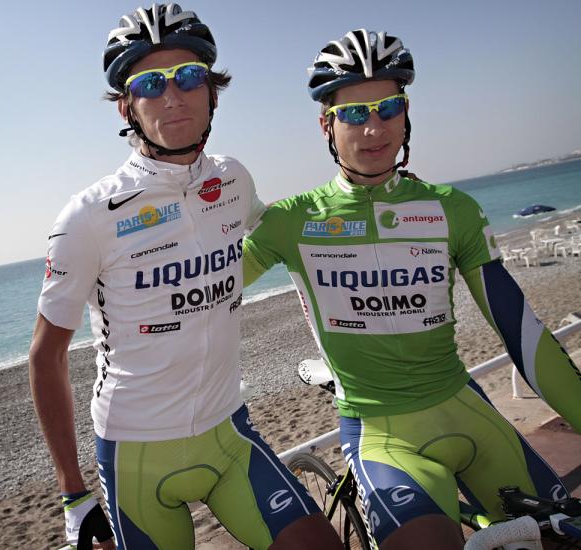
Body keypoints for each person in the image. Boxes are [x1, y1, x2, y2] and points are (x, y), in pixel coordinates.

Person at [243, 29, 581, 549]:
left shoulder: (452, 209)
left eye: (388, 108)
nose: (373, 128)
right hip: (382, 434)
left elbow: (521, 332)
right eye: (354, 113)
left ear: (405, 114)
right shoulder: (291, 220)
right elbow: (200, 292)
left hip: (465, 409)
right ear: (327, 124)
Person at [29, 4, 342, 549]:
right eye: (150, 84)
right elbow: (45, 357)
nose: (172, 96)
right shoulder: (88, 216)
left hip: (229, 432)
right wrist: (73, 495)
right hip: (136, 453)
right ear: (126, 105)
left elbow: (282, 235)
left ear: (212, 93)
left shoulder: (232, 178)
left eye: (189, 77)